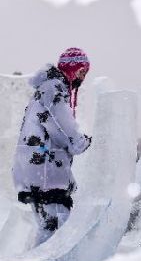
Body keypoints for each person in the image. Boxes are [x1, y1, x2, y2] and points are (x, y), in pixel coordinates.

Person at [13, 48, 92, 245]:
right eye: (81, 71)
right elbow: (62, 126)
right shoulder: (53, 89)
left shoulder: (48, 88)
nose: (83, 77)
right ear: (71, 68)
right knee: (57, 231)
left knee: (48, 227)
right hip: (45, 172)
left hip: (36, 170)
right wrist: (82, 142)